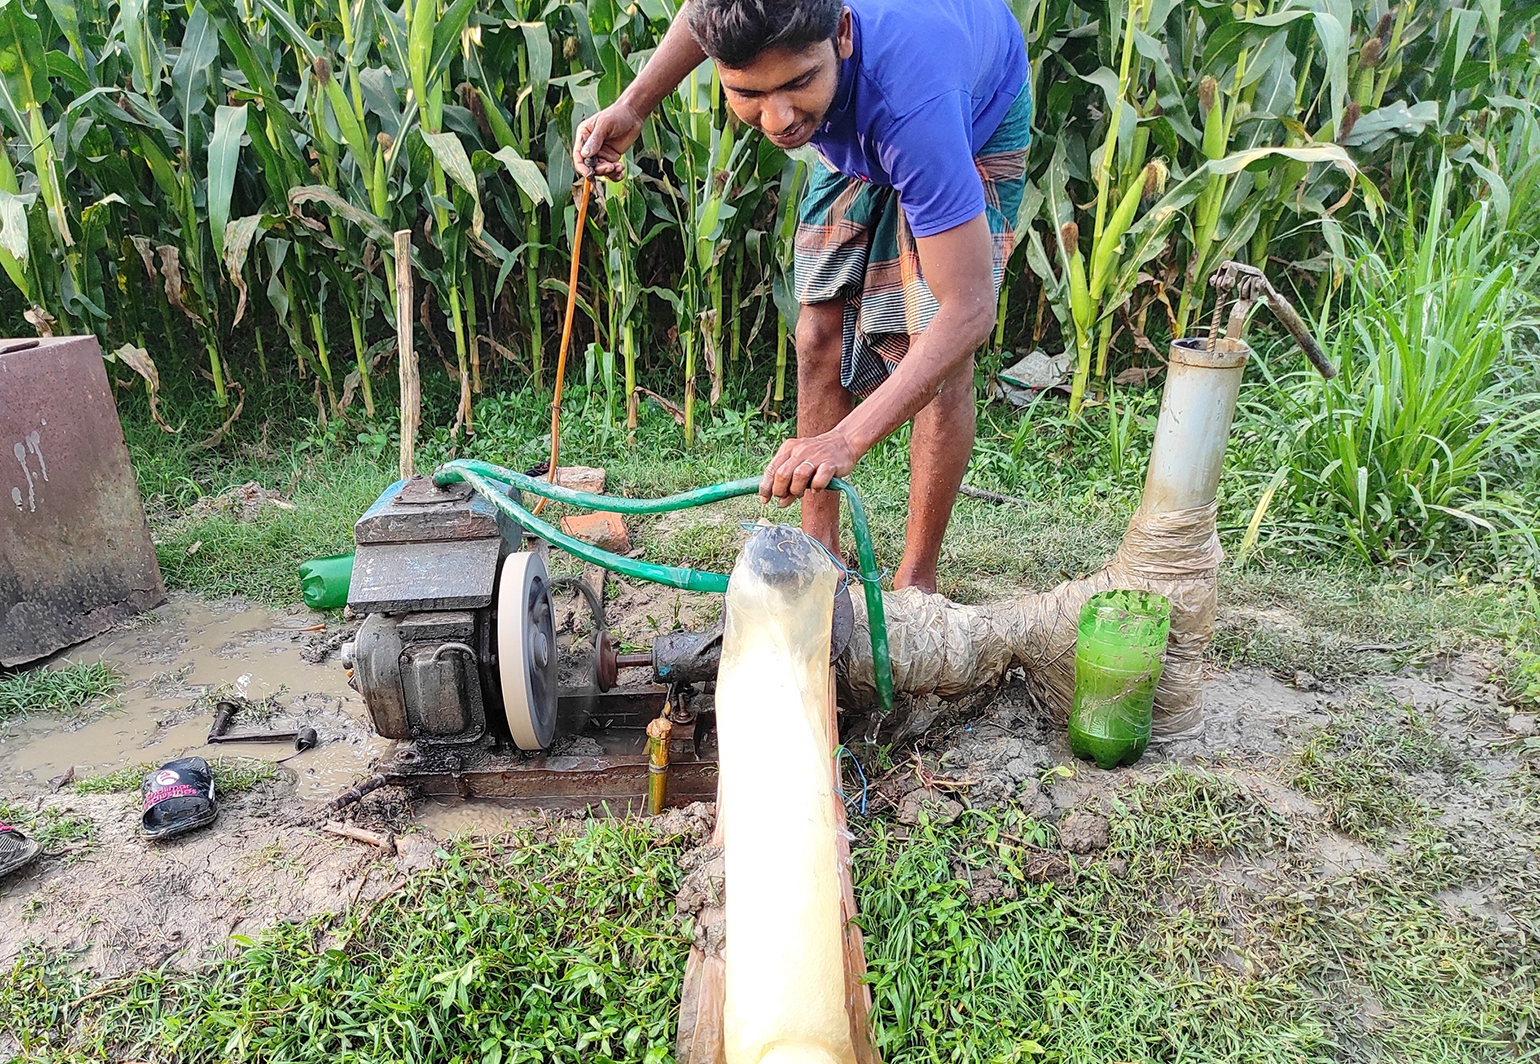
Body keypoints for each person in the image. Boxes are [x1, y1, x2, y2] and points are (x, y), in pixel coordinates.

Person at [575, 0, 1031, 594]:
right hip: (851, 116)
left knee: (939, 358)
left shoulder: (914, 104)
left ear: (840, 33)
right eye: (748, 93)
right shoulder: (789, 75)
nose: (778, 119)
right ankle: (820, 563)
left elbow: (967, 310)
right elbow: (702, 15)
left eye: (797, 82)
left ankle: (917, 583)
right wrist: (633, 105)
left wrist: (846, 439)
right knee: (816, 332)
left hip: (966, 115)